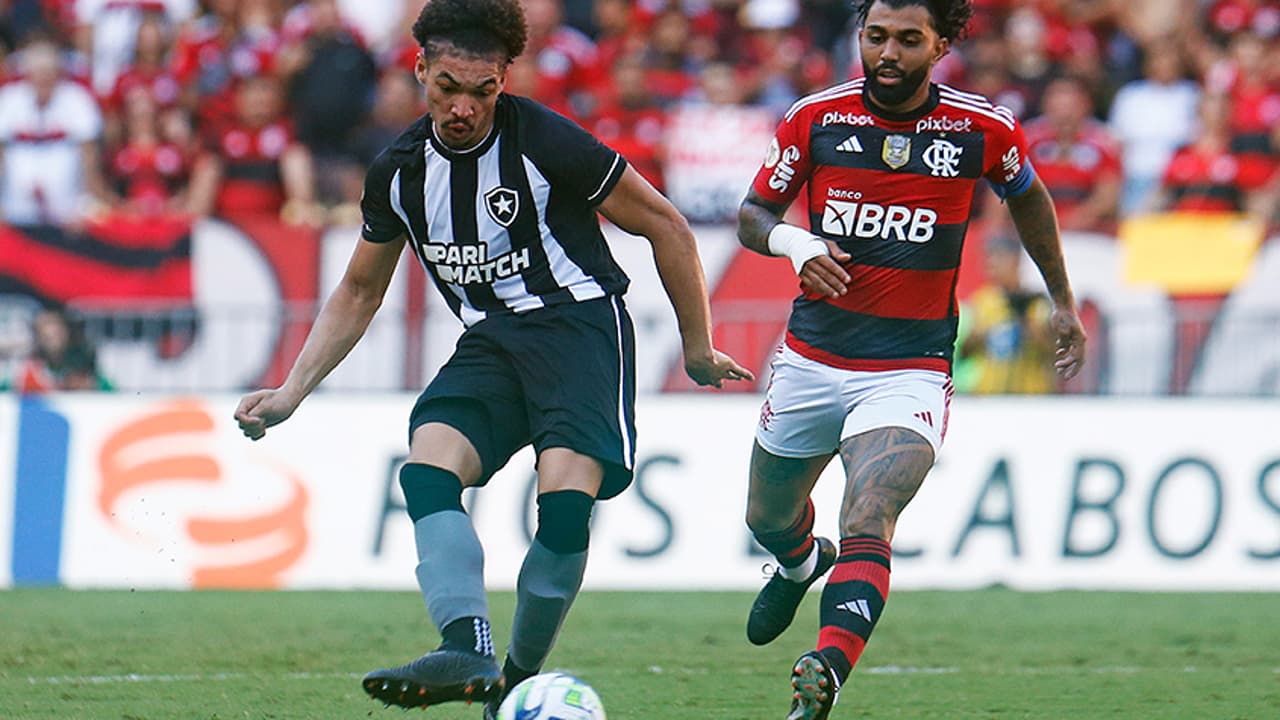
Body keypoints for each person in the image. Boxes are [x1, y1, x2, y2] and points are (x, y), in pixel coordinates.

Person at [232, 0, 751, 715]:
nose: (464, 107)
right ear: (420, 71)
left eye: (483, 91)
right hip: (493, 341)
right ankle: (466, 646)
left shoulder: (543, 139)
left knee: (564, 507)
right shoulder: (400, 171)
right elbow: (358, 289)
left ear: (505, 81)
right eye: (448, 87)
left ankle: (513, 681)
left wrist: (696, 347)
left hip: (580, 328)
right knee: (428, 466)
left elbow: (666, 223)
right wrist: (290, 392)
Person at [734, 2, 1086, 718]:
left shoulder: (980, 128)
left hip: (909, 369)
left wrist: (1061, 298)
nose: (888, 53)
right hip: (810, 357)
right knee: (767, 518)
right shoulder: (817, 117)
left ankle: (826, 669)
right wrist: (796, 245)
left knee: (870, 511)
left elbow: (1031, 202)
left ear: (943, 44)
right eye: (876, 37)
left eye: (907, 40)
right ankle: (802, 561)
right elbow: (752, 216)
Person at [955, 236, 1057, 394]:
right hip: (989, 393)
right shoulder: (983, 300)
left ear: (1016, 261)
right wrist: (979, 336)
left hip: (1031, 395)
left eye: (999, 257)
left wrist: (1024, 318)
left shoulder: (1037, 303)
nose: (991, 264)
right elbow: (965, 354)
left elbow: (1050, 351)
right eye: (989, 258)